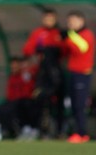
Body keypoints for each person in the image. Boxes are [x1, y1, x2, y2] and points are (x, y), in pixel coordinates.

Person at [22, 9, 64, 137]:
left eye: (51, 18)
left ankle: (60, 131)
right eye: (46, 18)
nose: (49, 21)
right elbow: (27, 50)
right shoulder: (38, 33)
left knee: (59, 102)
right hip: (43, 72)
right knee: (40, 100)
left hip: (58, 71)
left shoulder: (60, 33)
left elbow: (67, 50)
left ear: (55, 19)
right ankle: (41, 129)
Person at [62, 10, 94, 144]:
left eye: (73, 21)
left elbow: (81, 48)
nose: (71, 24)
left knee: (80, 105)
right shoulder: (74, 36)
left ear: (82, 21)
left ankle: (82, 133)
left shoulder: (86, 35)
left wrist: (69, 36)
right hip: (73, 74)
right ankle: (78, 133)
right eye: (69, 22)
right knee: (74, 105)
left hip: (83, 75)